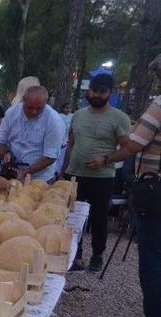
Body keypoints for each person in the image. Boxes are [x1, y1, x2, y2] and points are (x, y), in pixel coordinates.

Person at [84, 54, 161, 317]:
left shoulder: (159, 105)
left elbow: (135, 144)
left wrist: (107, 158)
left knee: (152, 254)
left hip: (154, 188)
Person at [60, 73, 131, 272]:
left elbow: (127, 149)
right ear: (88, 90)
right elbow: (71, 145)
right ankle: (75, 254)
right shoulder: (78, 115)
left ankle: (97, 255)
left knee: (99, 218)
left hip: (102, 177)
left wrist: (105, 159)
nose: (96, 95)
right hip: (74, 175)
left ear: (110, 93)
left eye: (102, 92)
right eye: (93, 90)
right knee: (72, 217)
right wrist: (63, 171)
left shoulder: (119, 118)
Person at [0, 85, 65, 182]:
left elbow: (50, 157)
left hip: (40, 179)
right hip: (11, 173)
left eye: (39, 108)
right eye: (29, 107)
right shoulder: (12, 113)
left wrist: (25, 172)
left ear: (46, 103)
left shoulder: (54, 121)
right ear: (23, 100)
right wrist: (5, 153)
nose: (33, 111)